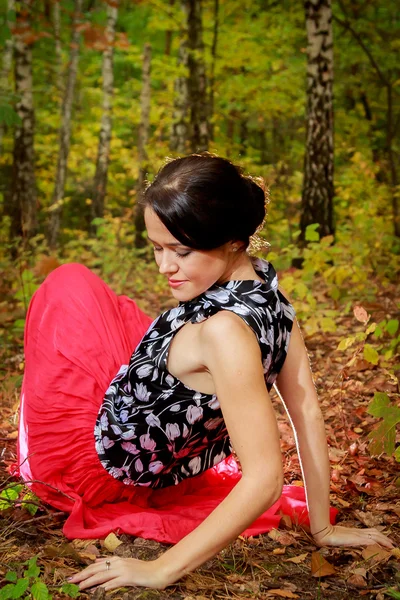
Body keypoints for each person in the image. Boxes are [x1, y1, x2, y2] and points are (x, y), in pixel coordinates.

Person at [18, 154, 393, 592]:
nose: (164, 267)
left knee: (67, 283)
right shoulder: (276, 303)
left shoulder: (224, 335)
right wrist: (320, 526)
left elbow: (266, 480)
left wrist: (161, 568)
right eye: (157, 248)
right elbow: (306, 409)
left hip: (99, 463)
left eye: (181, 251)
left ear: (234, 241)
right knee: (94, 295)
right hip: (151, 420)